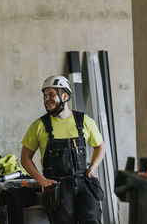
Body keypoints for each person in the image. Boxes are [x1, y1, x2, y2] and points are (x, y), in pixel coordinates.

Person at [21, 75, 106, 224]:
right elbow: (25, 157)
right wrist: (42, 180)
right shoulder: (39, 126)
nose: (47, 99)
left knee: (92, 220)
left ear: (65, 95)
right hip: (58, 188)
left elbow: (100, 146)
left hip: (83, 183)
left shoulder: (84, 121)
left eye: (51, 94)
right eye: (45, 95)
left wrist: (92, 168)